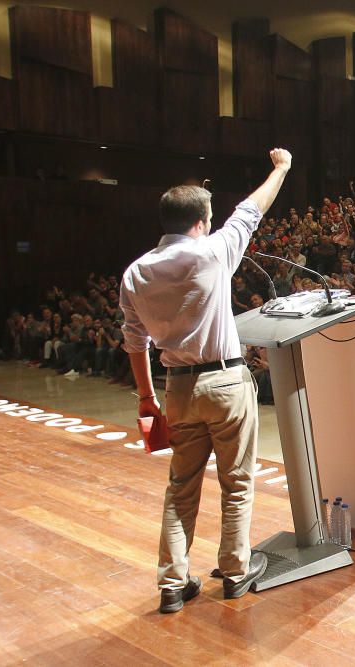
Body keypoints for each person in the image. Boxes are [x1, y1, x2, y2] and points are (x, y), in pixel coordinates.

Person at [121, 148, 292, 613]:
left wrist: (146, 400)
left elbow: (134, 341)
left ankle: (173, 584)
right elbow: (252, 210)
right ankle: (236, 572)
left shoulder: (135, 272)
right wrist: (281, 168)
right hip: (225, 383)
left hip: (176, 388)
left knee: (181, 488)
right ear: (201, 221)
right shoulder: (214, 251)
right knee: (237, 482)